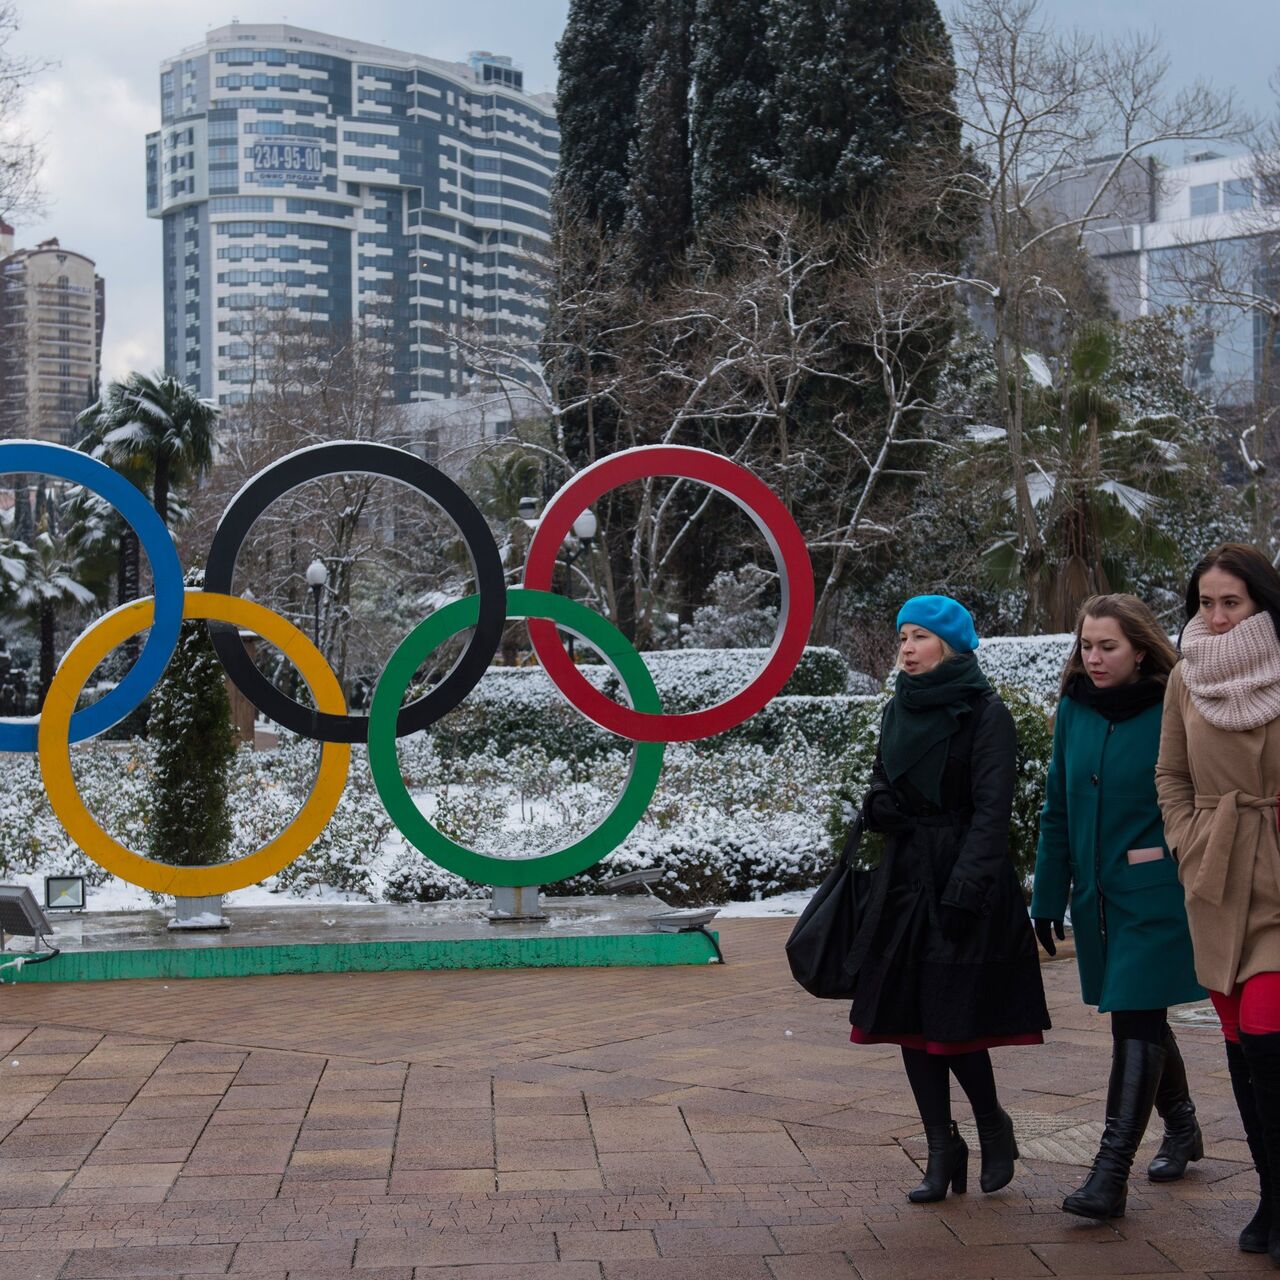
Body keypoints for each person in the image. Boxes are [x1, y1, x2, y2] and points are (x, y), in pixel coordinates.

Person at [851, 594, 1050, 1204]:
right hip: (907, 878)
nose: (906, 648)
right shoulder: (896, 711)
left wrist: (967, 889)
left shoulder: (986, 713)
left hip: (965, 882)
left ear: (952, 645)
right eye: (902, 636)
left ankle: (992, 1124)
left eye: (920, 637)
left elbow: (993, 812)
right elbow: (884, 779)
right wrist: (879, 803)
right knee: (909, 1020)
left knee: (954, 1022)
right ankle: (943, 1146)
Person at [1032, 594, 1204, 1221]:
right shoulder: (1074, 710)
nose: (1095, 657)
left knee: (1132, 1015)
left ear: (1140, 648)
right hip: (1096, 898)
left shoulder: (1173, 705)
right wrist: (1047, 894)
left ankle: (1110, 1175)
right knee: (1141, 1014)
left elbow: (1194, 792)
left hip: (1158, 893)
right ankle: (1183, 1127)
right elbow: (1057, 805)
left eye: (1108, 646)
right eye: (1086, 645)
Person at [1157, 543, 1280, 1264]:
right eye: (1205, 602)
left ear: (1261, 603)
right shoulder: (1184, 678)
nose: (1217, 615)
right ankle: (1269, 1191)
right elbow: (1169, 773)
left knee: (1267, 1034)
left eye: (1231, 601)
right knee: (1239, 1045)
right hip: (1216, 879)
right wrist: (1189, 840)